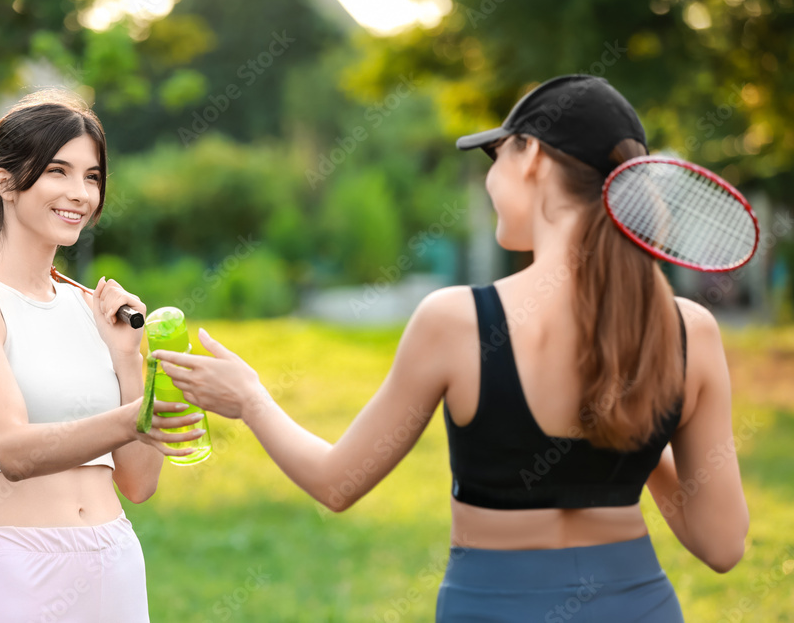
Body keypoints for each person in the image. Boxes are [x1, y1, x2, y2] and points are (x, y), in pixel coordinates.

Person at [152, 75, 750, 621]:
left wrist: (252, 398)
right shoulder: (689, 331)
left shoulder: (457, 320)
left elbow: (338, 483)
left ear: (533, 157)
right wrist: (634, 425)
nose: (489, 178)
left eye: (496, 155)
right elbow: (722, 546)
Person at [0, 89, 205, 622]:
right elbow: (14, 452)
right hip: (24, 576)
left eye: (92, 176)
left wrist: (129, 360)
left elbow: (139, 484)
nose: (80, 193)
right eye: (58, 171)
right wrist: (136, 416)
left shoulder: (91, 309)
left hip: (117, 561)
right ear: (4, 181)